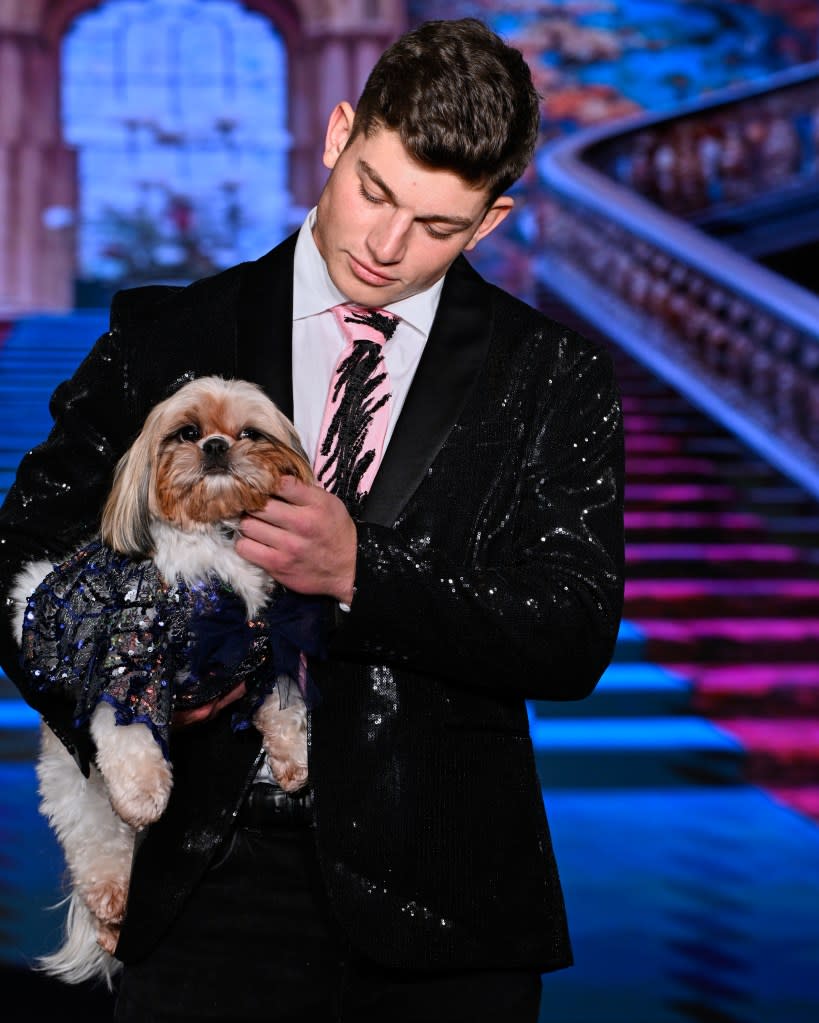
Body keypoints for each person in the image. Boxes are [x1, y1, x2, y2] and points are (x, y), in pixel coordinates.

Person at [0, 17, 624, 1023]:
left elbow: (575, 628)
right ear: (338, 134)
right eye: (374, 190)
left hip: (447, 913)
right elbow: (17, 555)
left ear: (493, 222)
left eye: (436, 225)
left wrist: (359, 577)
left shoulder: (553, 374)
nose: (386, 244)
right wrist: (119, 706)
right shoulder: (169, 334)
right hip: (200, 888)